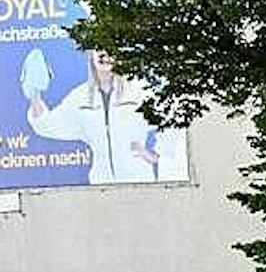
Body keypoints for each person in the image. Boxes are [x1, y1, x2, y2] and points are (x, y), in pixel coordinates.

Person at [23, 49, 188, 184]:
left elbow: (171, 120)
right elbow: (47, 125)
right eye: (98, 49)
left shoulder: (138, 92)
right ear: (91, 55)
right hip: (101, 186)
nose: (103, 54)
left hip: (140, 182)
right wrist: (34, 94)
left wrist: (159, 157)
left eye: (109, 48)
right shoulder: (80, 98)